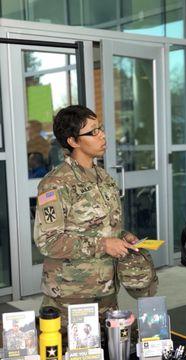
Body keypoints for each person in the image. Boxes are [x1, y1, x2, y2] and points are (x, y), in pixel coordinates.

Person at [34, 105, 157, 344]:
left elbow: (105, 227)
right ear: (72, 141)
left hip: (106, 291)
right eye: (93, 132)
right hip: (71, 297)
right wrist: (103, 245)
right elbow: (48, 241)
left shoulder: (104, 177)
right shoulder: (55, 184)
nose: (102, 135)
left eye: (100, 128)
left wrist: (124, 236)